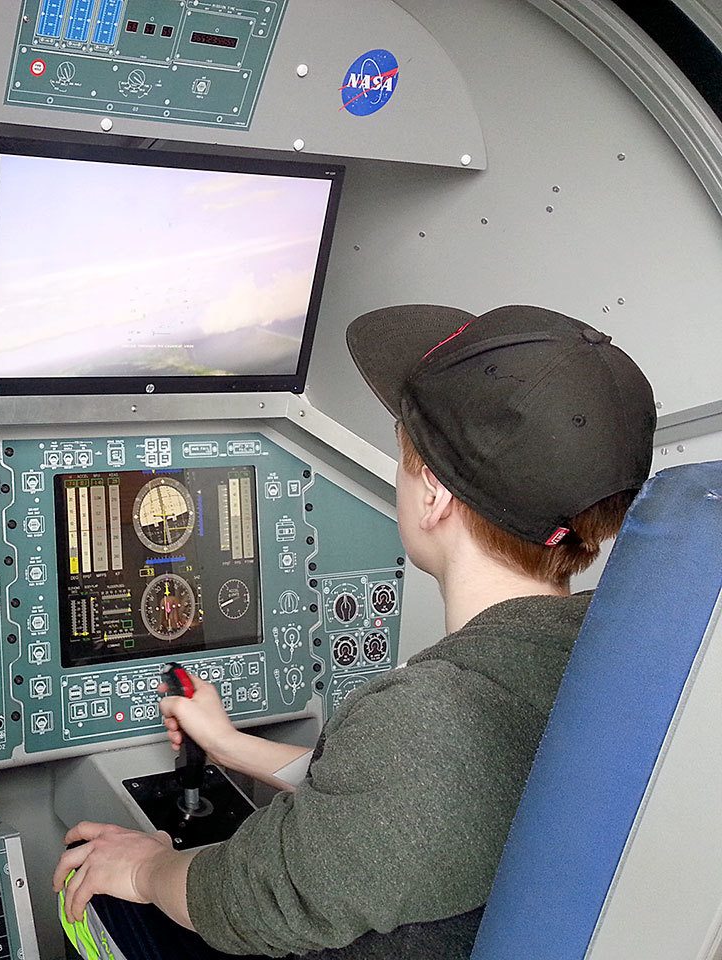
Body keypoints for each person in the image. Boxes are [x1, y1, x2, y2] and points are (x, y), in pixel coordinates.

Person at [53, 304, 658, 959]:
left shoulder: (433, 714)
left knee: (95, 902)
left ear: (434, 494)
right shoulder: (610, 652)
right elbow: (407, 807)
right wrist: (231, 746)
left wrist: (143, 869)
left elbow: (249, 902)